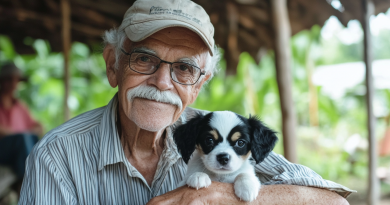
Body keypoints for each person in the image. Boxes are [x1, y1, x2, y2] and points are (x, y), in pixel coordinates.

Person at [19, 0, 355, 204]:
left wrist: (218, 197)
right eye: (144, 59)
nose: (162, 82)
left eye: (184, 68)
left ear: (199, 85)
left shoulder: (213, 131)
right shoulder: (58, 155)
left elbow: (332, 201)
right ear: (113, 65)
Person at [0, 63, 41, 192]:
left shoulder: (20, 106)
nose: (13, 83)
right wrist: (16, 134)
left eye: (16, 79)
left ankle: (34, 176)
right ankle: (28, 180)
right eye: (9, 79)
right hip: (3, 150)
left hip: (21, 152)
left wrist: (26, 133)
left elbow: (38, 127)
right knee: (22, 139)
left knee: (31, 138)